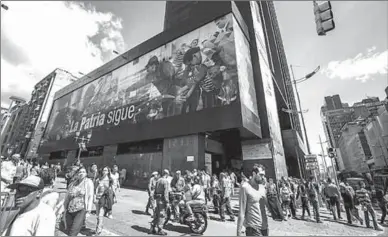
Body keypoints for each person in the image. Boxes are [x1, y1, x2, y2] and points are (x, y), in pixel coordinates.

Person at [237, 166, 268, 236]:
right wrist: (238, 232)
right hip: (252, 228)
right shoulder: (245, 187)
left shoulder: (262, 187)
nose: (263, 177)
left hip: (264, 227)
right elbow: (241, 212)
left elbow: (267, 206)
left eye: (264, 175)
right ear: (254, 173)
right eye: (261, 174)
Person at [63, 166, 94, 236]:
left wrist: (88, 210)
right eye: (80, 172)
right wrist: (64, 208)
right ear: (77, 174)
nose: (81, 173)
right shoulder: (73, 183)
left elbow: (90, 196)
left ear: (86, 174)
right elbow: (67, 196)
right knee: (68, 229)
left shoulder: (88, 182)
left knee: (74, 230)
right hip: (70, 209)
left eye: (83, 172)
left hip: (81, 210)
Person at [95, 167, 115, 235]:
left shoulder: (110, 180)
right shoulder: (98, 179)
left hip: (104, 199)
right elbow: (95, 189)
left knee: (101, 214)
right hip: (98, 198)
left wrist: (114, 197)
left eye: (106, 170)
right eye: (103, 170)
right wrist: (94, 197)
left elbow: (112, 189)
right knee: (97, 215)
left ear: (108, 171)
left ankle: (99, 228)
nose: (104, 171)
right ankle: (99, 225)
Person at [149, 169, 170, 235]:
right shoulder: (165, 181)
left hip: (157, 199)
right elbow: (166, 192)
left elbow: (155, 190)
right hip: (162, 200)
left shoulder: (158, 180)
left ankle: (152, 226)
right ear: (166, 174)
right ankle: (160, 229)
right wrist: (167, 202)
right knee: (162, 214)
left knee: (157, 213)